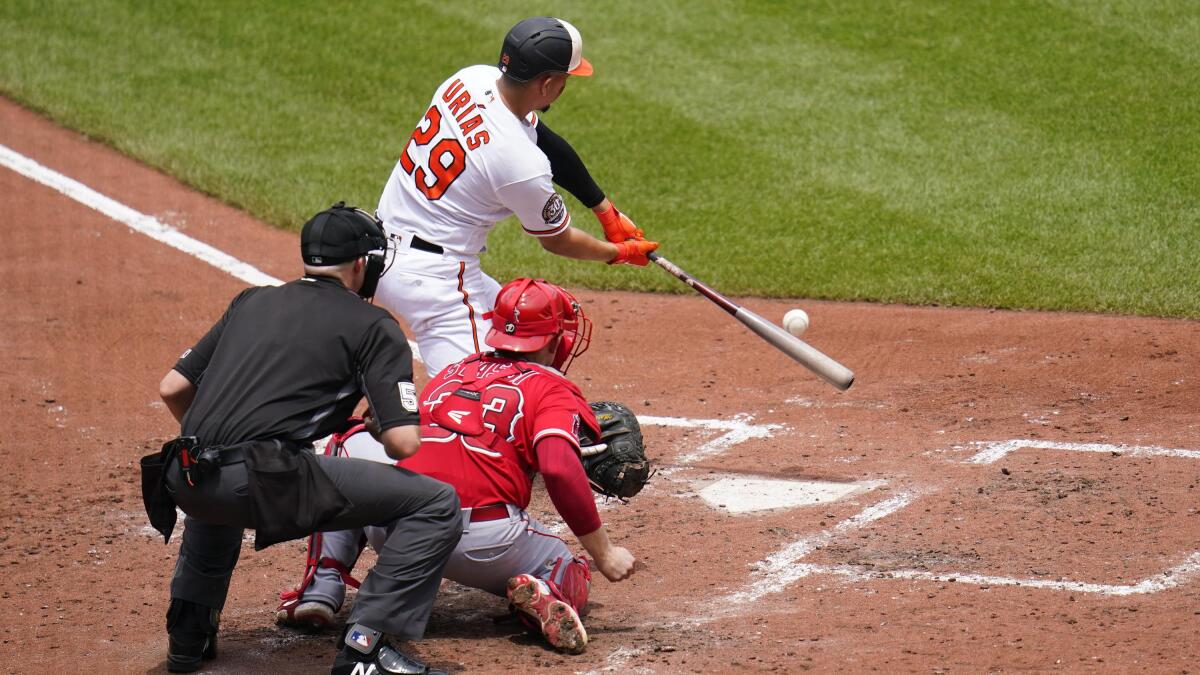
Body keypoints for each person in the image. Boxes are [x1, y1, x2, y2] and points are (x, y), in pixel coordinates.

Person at [150, 203, 461, 675]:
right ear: (362, 264)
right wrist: (383, 424)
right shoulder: (374, 327)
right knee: (435, 504)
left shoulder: (250, 300)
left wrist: (219, 443)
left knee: (215, 477)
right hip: (263, 479)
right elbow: (403, 444)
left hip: (183, 474)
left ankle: (188, 635)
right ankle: (366, 647)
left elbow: (173, 387)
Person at [278, 278, 637, 654]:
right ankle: (546, 590)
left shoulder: (450, 374)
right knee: (567, 564)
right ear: (551, 341)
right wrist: (604, 554)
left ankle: (321, 588)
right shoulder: (552, 388)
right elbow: (559, 469)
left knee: (346, 446)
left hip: (395, 529)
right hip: (486, 546)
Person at [373, 16, 659, 376]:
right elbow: (558, 241)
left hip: (379, 244)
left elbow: (547, 140)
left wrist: (605, 210)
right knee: (477, 396)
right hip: (436, 282)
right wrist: (617, 253)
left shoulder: (470, 79)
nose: (566, 86)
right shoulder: (520, 164)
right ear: (548, 83)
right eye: (566, 80)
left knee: (526, 329)